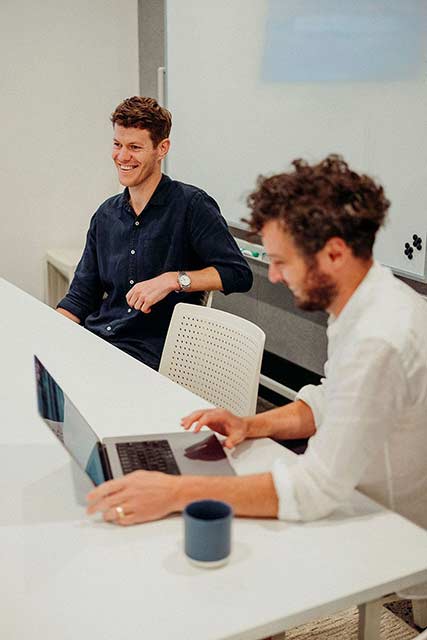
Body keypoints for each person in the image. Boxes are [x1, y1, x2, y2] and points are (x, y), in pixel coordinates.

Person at [86, 154, 427, 536]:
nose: (275, 276)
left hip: (393, 531)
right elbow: (330, 400)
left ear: (334, 253)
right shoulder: (365, 300)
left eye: (281, 261)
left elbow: (313, 491)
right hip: (358, 498)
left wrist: (174, 492)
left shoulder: (379, 338)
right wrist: (251, 425)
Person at [57, 97, 252, 369]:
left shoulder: (191, 206)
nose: (122, 157)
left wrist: (173, 280)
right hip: (99, 342)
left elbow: (238, 274)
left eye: (134, 147)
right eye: (117, 144)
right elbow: (80, 297)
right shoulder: (105, 215)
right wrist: (49, 335)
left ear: (162, 149)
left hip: (151, 357)